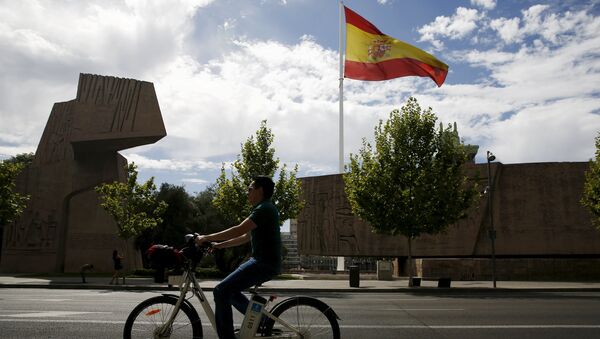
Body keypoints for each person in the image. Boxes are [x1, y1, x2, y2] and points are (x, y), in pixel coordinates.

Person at [195, 175, 281, 339]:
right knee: (230, 291)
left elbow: (238, 229)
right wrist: (219, 245)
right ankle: (262, 319)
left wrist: (206, 237)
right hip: (262, 262)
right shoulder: (265, 208)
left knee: (221, 291)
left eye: (250, 189)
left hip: (263, 263)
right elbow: (245, 237)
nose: (247, 193)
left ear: (260, 190)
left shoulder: (264, 209)